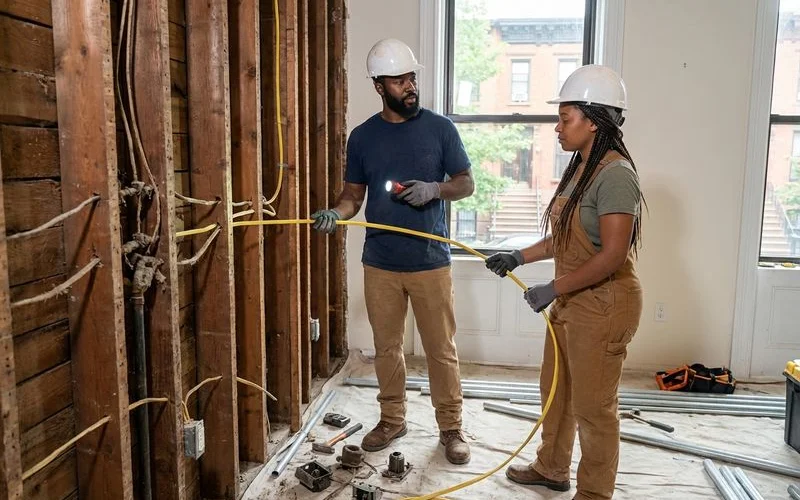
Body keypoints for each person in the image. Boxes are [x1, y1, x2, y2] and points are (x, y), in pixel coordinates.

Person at [310, 38, 475, 465]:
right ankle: (392, 419)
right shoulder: (363, 137)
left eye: (411, 77)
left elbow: (466, 183)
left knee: (441, 350)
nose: (410, 86)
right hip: (381, 263)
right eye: (399, 80)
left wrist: (434, 189)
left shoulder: (440, 129)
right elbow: (352, 197)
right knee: (387, 348)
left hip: (430, 261)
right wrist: (335, 214)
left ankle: (451, 428)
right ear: (379, 86)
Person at [485, 64, 644, 500]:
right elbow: (569, 238)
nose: (557, 127)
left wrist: (553, 288)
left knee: (594, 409)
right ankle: (552, 468)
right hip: (574, 299)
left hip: (605, 305)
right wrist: (519, 256)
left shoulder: (615, 175)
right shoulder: (582, 167)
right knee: (557, 393)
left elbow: (613, 255)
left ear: (593, 120)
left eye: (564, 117)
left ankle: (594, 493)